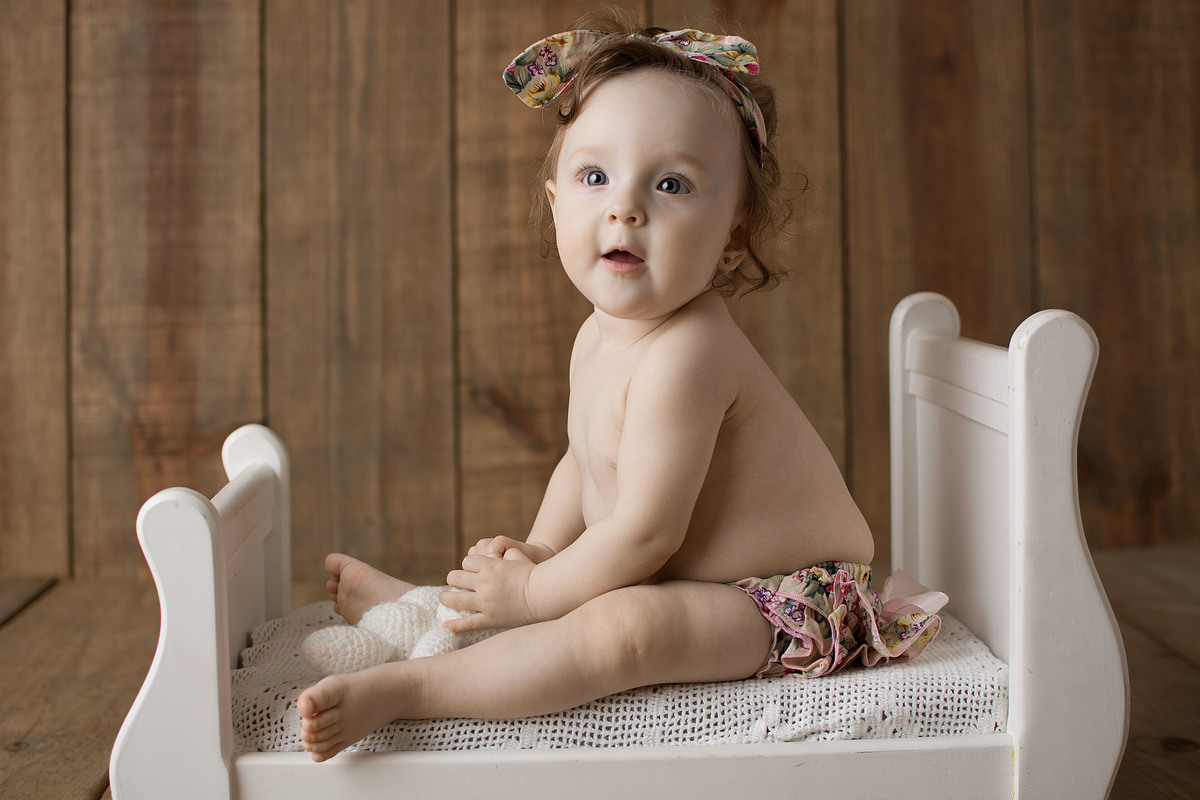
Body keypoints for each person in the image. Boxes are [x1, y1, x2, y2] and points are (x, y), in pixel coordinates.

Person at [297, 14, 944, 762]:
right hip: (686, 579)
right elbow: (585, 458)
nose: (625, 207)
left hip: (792, 596)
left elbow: (643, 534)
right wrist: (543, 549)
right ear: (555, 201)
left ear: (732, 237)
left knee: (624, 630)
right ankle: (422, 612)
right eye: (595, 176)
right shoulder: (598, 335)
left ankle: (411, 690)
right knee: (576, 588)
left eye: (671, 184)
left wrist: (533, 593)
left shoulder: (689, 352)